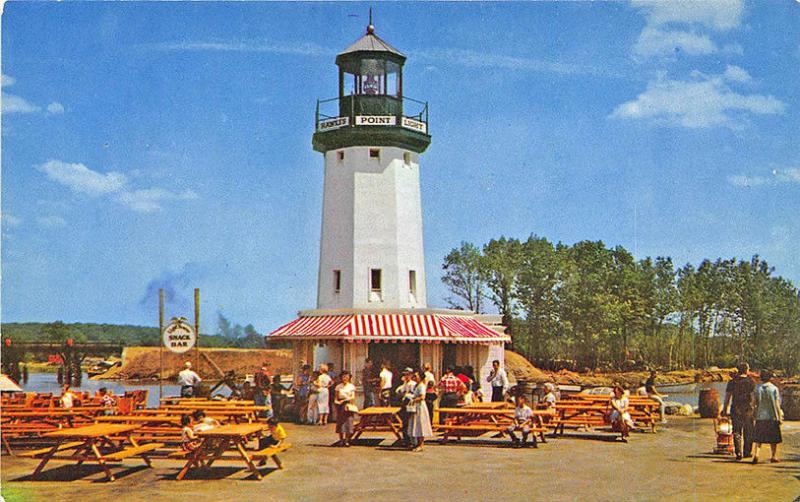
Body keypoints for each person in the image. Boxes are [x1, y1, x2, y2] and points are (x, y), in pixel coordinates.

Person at [723, 362, 756, 460]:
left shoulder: (732, 382)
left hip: (736, 408)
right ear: (746, 370)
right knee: (748, 431)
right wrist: (755, 409)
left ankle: (738, 453)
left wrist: (725, 409)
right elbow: (753, 397)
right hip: (748, 409)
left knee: (737, 431)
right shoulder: (751, 382)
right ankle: (747, 452)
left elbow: (727, 397)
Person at [752, 370, 783, 464]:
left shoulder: (758, 388)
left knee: (759, 438)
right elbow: (777, 404)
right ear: (770, 378)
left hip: (760, 416)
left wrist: (754, 414)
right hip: (772, 416)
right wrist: (779, 417)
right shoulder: (774, 389)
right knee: (774, 438)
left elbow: (754, 403)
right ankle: (773, 456)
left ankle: (756, 455)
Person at [408, 371, 433, 451]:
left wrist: (414, 400)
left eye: (416, 376)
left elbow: (422, 397)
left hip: (420, 407)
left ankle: (421, 444)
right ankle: (417, 443)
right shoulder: (416, 385)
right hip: (416, 407)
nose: (415, 377)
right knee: (416, 425)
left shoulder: (421, 386)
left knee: (420, 425)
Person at [334, 370, 357, 447]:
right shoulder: (338, 387)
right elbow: (336, 398)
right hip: (340, 405)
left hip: (348, 404)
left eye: (347, 377)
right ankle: (341, 440)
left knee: (348, 422)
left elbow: (353, 397)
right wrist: (337, 402)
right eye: (343, 377)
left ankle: (347, 440)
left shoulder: (351, 386)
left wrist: (347, 401)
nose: (345, 378)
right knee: (341, 423)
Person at [396, 368, 417, 446]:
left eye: (408, 374)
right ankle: (406, 439)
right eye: (405, 374)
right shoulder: (405, 384)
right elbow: (399, 390)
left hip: (410, 404)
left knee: (410, 423)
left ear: (411, 375)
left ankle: (411, 440)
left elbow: (414, 395)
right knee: (405, 422)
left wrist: (406, 394)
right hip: (404, 404)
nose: (406, 376)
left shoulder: (413, 384)